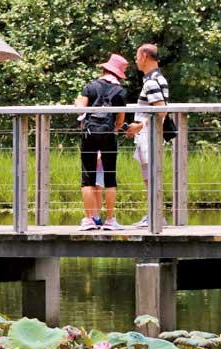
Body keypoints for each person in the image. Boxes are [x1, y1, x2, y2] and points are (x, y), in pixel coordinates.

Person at [75, 54, 128, 230]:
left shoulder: (90, 86)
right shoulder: (120, 92)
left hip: (90, 134)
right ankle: (110, 220)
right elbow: (120, 120)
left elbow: (79, 109)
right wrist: (115, 128)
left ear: (104, 69)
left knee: (88, 178)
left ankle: (89, 219)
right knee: (110, 179)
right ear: (118, 74)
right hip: (109, 135)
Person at [125, 43, 170, 229]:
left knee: (150, 176)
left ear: (144, 56)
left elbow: (161, 111)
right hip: (149, 135)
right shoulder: (157, 78)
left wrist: (139, 126)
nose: (136, 60)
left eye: (136, 56)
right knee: (150, 175)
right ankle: (154, 214)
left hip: (148, 137)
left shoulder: (151, 82)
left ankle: (155, 216)